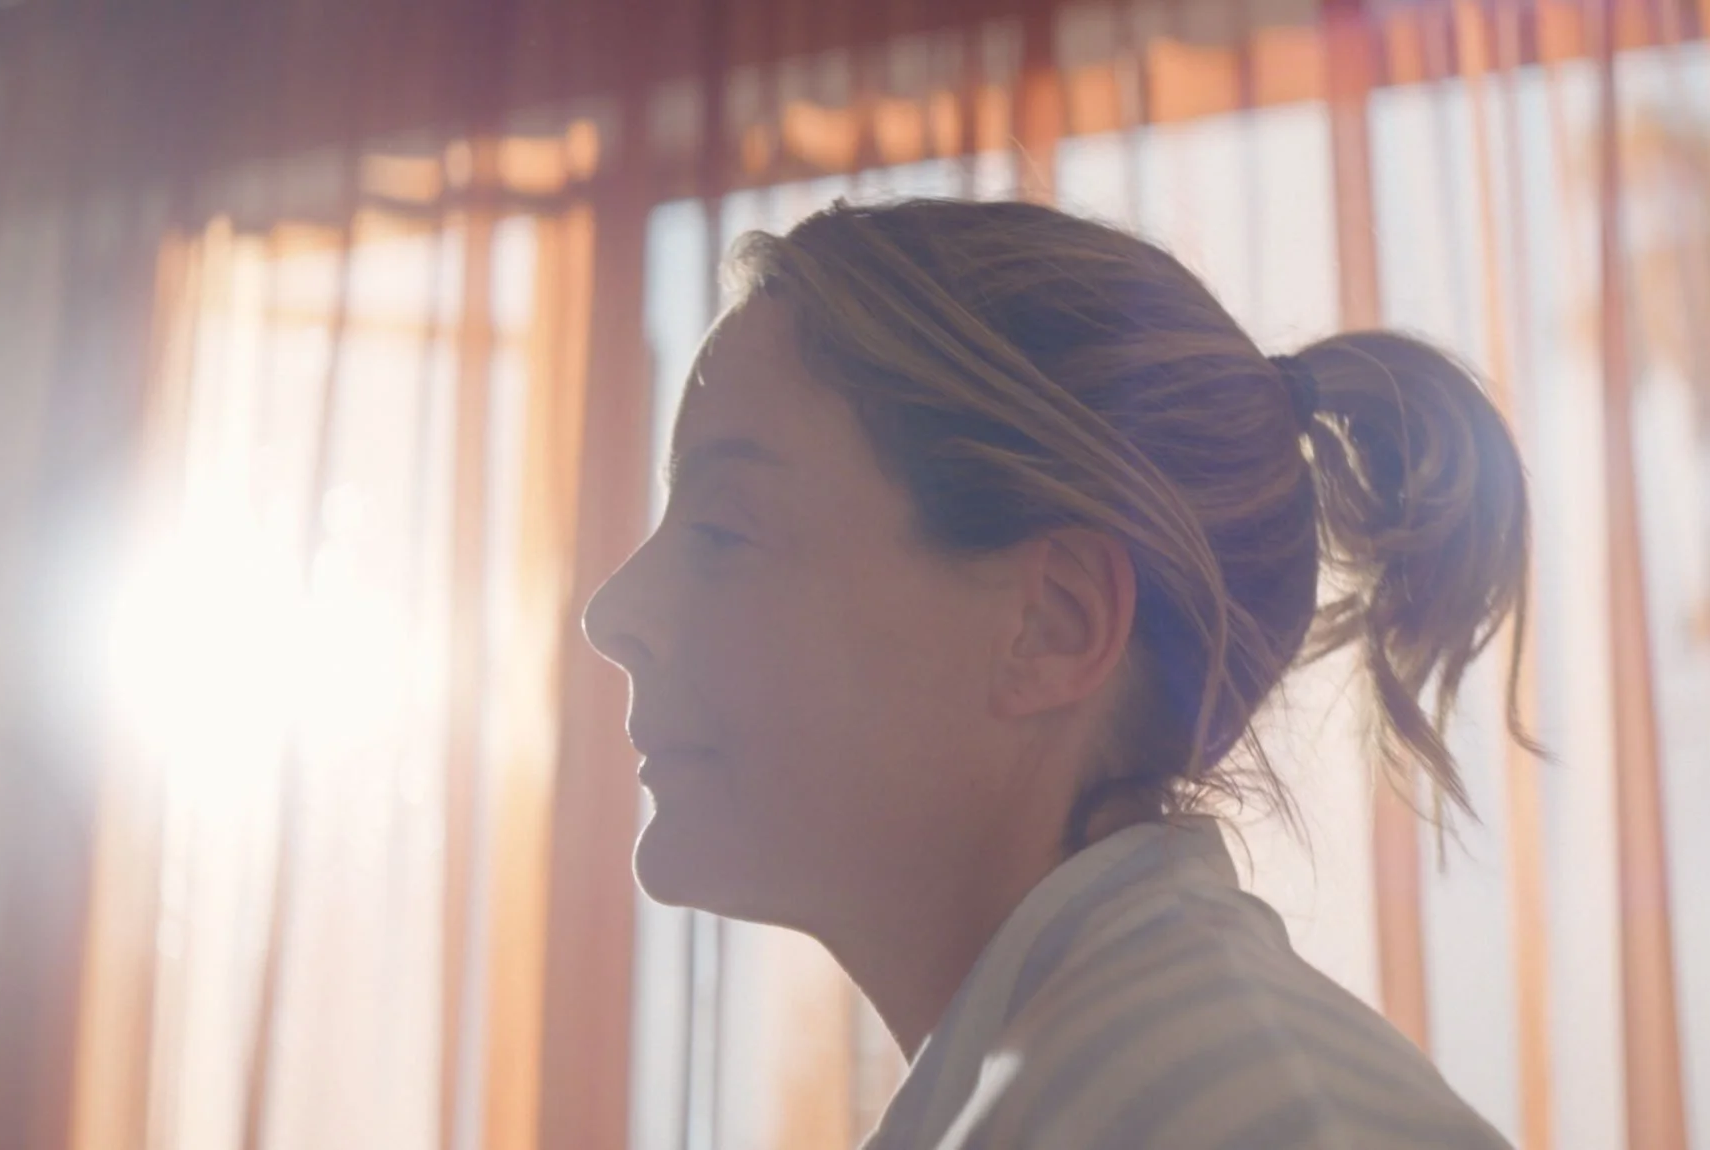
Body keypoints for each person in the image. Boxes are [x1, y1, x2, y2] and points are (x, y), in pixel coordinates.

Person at [583, 198, 1529, 1149]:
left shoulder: (1240, 1115)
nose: (613, 613)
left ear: (1051, 626)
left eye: (720, 530)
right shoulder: (1097, 1080)